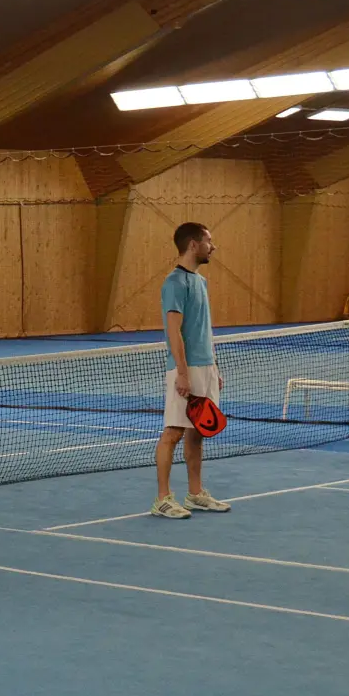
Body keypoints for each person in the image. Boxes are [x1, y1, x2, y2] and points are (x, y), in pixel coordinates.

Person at [153, 223, 231, 520]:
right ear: (193, 245)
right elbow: (174, 330)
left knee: (198, 431)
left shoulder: (201, 281)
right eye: (209, 241)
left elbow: (203, 330)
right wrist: (183, 373)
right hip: (184, 369)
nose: (213, 246)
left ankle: (195, 493)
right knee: (173, 432)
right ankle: (163, 499)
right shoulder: (175, 282)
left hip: (206, 366)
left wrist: (214, 367)